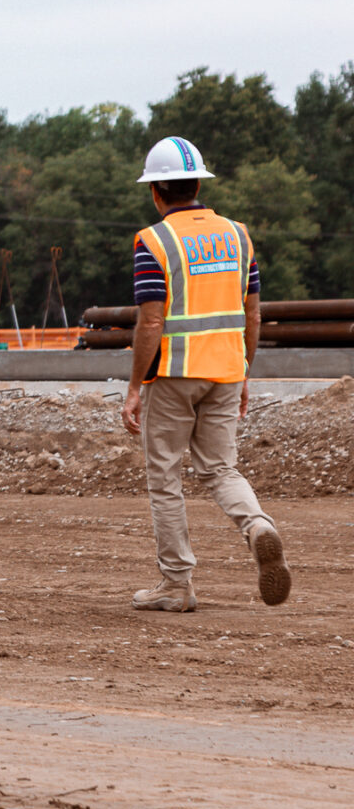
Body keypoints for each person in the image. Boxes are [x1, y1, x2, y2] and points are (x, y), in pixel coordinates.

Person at [121, 137, 290, 612]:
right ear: (198, 184)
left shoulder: (153, 241)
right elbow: (253, 315)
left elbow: (151, 321)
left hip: (173, 375)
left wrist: (135, 386)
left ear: (156, 191)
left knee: (165, 477)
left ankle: (177, 585)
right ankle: (258, 526)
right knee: (220, 468)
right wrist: (243, 372)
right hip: (226, 370)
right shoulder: (238, 235)